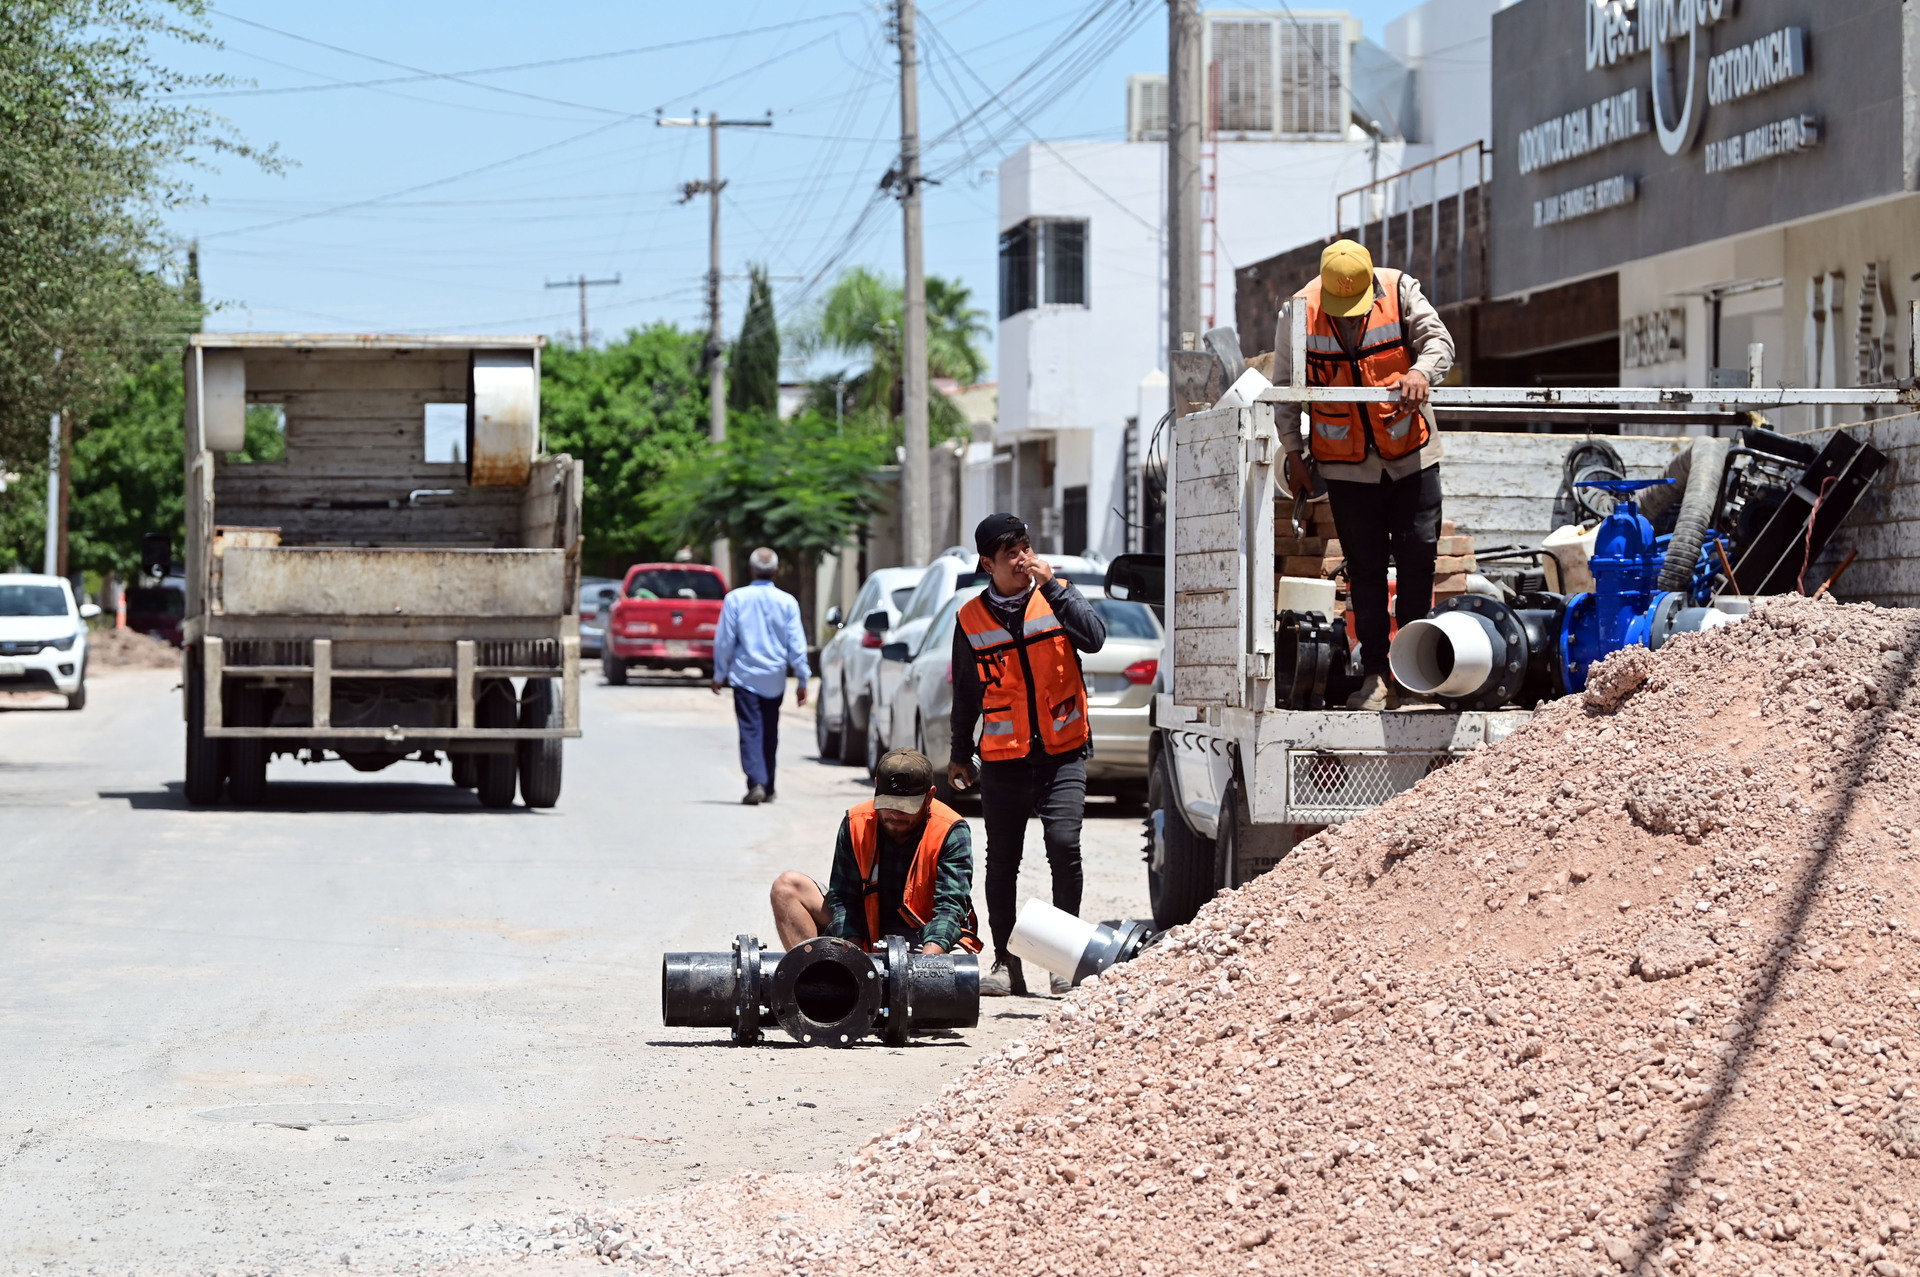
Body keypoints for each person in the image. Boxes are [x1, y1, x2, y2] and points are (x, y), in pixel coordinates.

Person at [1275, 238, 1455, 711]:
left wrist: (1421, 372)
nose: (1350, 318)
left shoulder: (1399, 290)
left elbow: (1441, 342)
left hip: (1410, 453)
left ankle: (1420, 673)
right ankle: (1376, 674)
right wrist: (1294, 454)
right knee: (1367, 571)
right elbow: (1285, 391)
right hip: (1345, 464)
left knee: (1418, 561)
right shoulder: (1298, 314)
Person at [946, 514, 1105, 996]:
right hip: (1003, 758)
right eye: (1010, 553)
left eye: (1025, 547)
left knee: (1063, 843)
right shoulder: (970, 619)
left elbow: (1095, 639)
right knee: (1002, 861)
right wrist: (959, 755)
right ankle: (1004, 963)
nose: (1022, 559)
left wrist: (1055, 588)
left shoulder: (1057, 596)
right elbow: (967, 697)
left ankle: (1064, 958)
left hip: (1063, 751)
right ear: (987, 564)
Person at [769, 748, 979, 955]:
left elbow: (949, 909)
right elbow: (843, 899)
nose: (895, 814)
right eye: (888, 804)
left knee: (955, 973)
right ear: (877, 787)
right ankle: (812, 979)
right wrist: (856, 961)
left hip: (923, 935)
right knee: (786, 887)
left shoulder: (950, 830)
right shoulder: (855, 823)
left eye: (906, 806)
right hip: (865, 929)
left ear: (929, 796)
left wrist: (927, 966)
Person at [711, 546, 809, 805]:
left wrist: (720, 672)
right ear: (775, 571)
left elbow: (724, 641)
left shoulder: (735, 599)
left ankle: (757, 782)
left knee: (751, 731)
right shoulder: (787, 602)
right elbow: (796, 644)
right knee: (769, 731)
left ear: (751, 569)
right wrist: (802, 679)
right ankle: (769, 785)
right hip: (774, 678)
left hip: (745, 677)